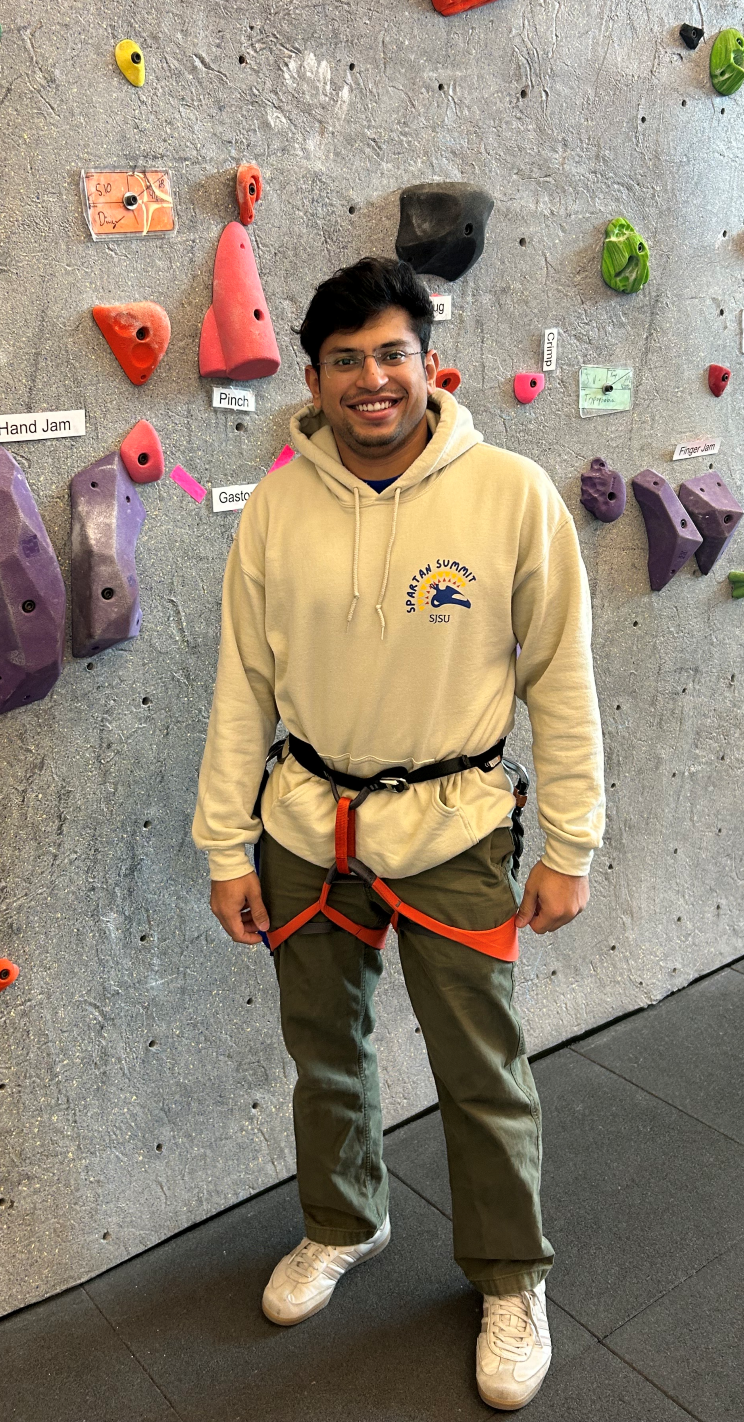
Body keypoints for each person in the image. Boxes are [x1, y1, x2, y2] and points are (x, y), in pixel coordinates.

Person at [193, 257, 605, 1411]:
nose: (370, 380)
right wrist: (227, 846)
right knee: (325, 1051)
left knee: (483, 1069)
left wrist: (570, 840)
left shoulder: (514, 494)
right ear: (315, 380)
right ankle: (342, 1221)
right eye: (343, 361)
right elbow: (243, 687)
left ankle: (511, 1277)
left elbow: (562, 683)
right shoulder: (279, 502)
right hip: (306, 824)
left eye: (391, 354)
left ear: (430, 362)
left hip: (459, 825)